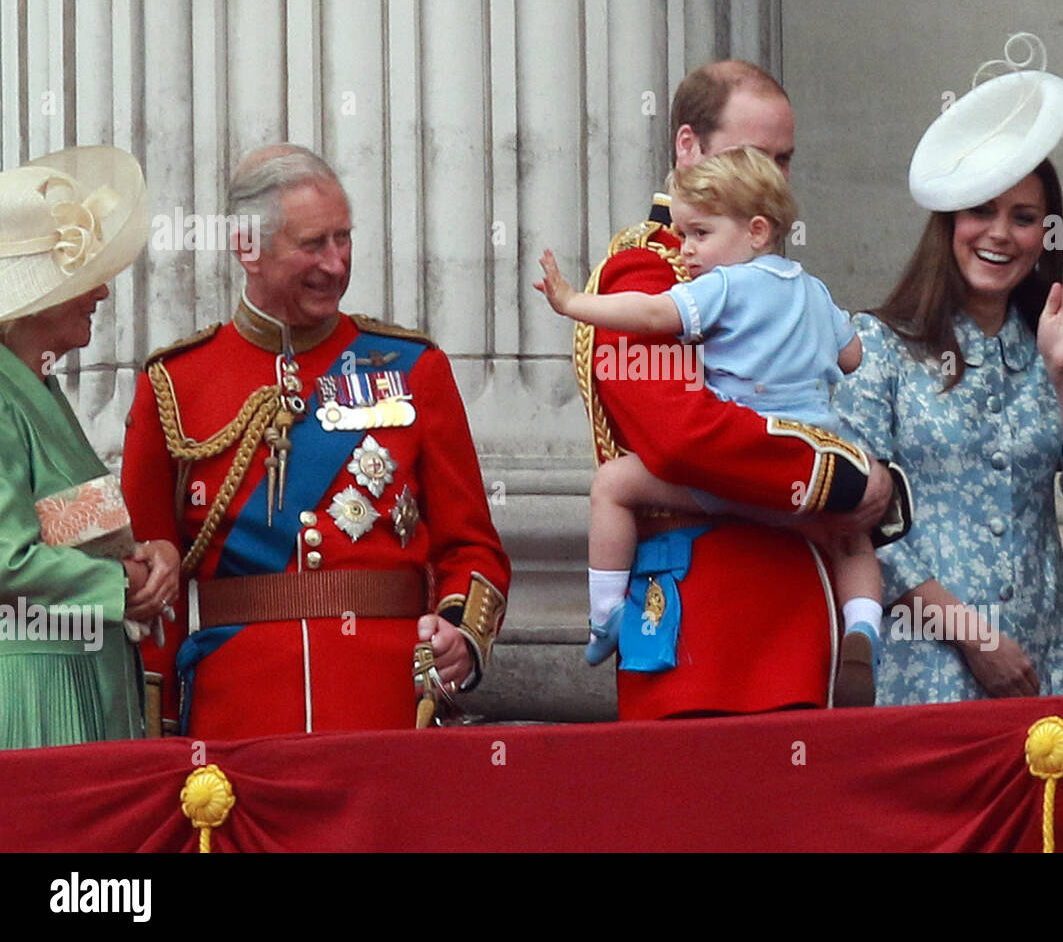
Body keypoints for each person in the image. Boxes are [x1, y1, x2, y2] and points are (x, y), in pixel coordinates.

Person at [121, 144, 510, 738]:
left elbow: (471, 548)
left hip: (385, 707)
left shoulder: (415, 367)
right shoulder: (175, 383)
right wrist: (158, 728)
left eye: (344, 239)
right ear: (246, 249)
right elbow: (152, 588)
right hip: (237, 717)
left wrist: (460, 634)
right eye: (313, 245)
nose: (336, 264)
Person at [572, 60, 908, 718]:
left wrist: (877, 476)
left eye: (783, 160)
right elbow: (682, 437)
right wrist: (839, 478)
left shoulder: (775, 275)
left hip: (799, 609)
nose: (772, 180)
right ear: (688, 148)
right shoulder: (645, 271)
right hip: (701, 616)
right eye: (754, 155)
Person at [833, 35, 1063, 704]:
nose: (1000, 233)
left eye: (1024, 218)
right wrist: (972, 634)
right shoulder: (877, 345)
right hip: (925, 669)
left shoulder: (1047, 349)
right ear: (949, 223)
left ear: (1044, 235)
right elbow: (854, 517)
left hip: (1042, 666)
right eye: (982, 211)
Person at [0, 146, 179, 750]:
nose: (101, 292)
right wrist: (122, 583)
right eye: (79, 279)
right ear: (27, 304)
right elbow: (5, 560)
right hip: (34, 690)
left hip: (82, 676)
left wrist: (147, 557)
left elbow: (68, 528)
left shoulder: (38, 387)